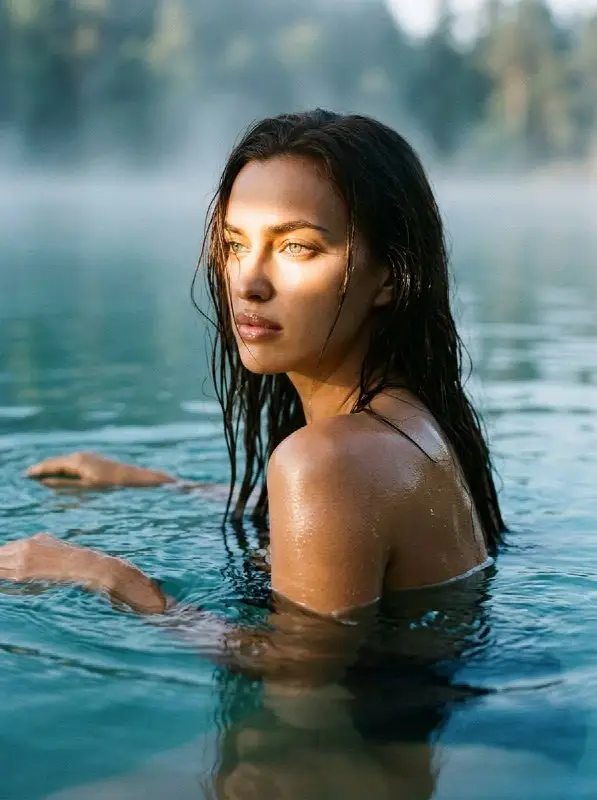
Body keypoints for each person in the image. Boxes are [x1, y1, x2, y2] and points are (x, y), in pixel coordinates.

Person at [0, 109, 504, 619]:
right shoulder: (410, 423)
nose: (247, 283)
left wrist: (105, 577)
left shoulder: (325, 463)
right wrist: (166, 485)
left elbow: (304, 686)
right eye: (235, 244)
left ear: (391, 277)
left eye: (296, 247)